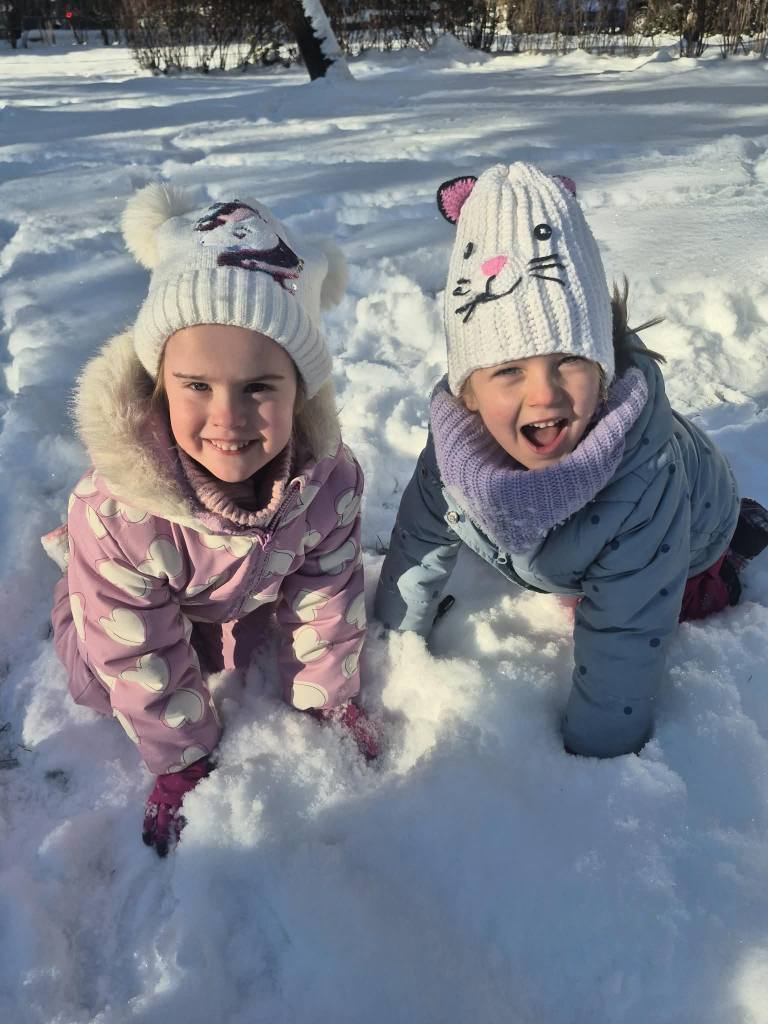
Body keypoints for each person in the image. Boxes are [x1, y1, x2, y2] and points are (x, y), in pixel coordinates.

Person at [374, 162, 768, 760]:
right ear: (468, 392)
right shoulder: (453, 456)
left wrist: (597, 758)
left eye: (569, 360)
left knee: (676, 598)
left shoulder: (642, 488)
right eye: (509, 370)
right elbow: (418, 543)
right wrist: (391, 649)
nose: (545, 394)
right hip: (593, 541)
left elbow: (628, 634)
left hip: (688, 530)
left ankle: (732, 553)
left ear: (603, 368)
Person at [43, 183, 377, 857]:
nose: (228, 417)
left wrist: (326, 697)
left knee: (237, 653)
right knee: (100, 679)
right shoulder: (119, 513)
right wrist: (182, 760)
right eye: (197, 386)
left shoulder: (327, 483)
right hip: (127, 596)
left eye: (258, 388)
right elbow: (134, 653)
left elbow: (327, 590)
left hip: (242, 584)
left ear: (299, 391)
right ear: (160, 385)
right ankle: (79, 594)